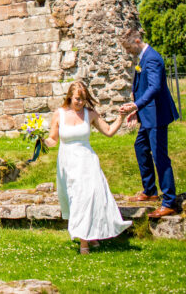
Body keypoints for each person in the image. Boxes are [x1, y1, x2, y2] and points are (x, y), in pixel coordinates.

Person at [46, 80, 131, 254]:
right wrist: (40, 141)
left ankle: (86, 241)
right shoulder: (59, 114)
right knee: (77, 198)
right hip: (68, 162)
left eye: (83, 99)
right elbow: (53, 139)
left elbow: (108, 132)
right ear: (70, 97)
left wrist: (121, 117)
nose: (80, 102)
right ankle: (88, 238)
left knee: (89, 197)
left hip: (87, 160)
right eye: (77, 99)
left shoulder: (90, 114)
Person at [120, 27, 181, 218]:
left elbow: (154, 88)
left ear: (137, 42)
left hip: (157, 115)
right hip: (147, 116)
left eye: (129, 48)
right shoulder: (143, 58)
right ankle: (150, 190)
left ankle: (169, 201)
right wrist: (137, 112)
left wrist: (135, 106)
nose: (128, 52)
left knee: (160, 157)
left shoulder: (152, 58)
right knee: (140, 148)